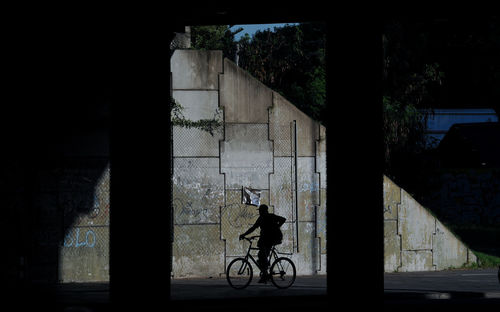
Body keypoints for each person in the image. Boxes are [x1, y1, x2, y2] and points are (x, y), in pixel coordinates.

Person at [239, 204, 286, 283]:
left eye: (260, 211)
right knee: (262, 257)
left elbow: (283, 219)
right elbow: (253, 228)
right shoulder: (261, 218)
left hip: (271, 239)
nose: (260, 212)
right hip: (266, 239)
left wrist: (276, 227)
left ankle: (265, 274)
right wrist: (244, 234)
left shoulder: (270, 216)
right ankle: (265, 272)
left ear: (264, 211)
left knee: (262, 256)